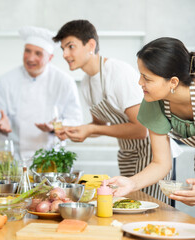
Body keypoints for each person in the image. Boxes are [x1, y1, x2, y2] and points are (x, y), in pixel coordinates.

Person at [52, 19, 173, 203]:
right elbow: (99, 125)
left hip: (152, 155)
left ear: (90, 44)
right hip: (127, 154)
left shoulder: (117, 73)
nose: (65, 54)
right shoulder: (87, 83)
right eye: (63, 49)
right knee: (131, 209)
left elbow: (141, 129)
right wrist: (74, 130)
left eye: (70, 46)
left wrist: (92, 130)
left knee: (151, 212)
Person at [106, 37, 195, 206]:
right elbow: (161, 162)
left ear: (173, 82)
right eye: (141, 76)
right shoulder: (154, 101)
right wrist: (131, 183)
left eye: (147, 78)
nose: (140, 83)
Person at [0, 26, 83, 161]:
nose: (30, 58)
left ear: (50, 57)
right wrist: (0, 123)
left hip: (52, 160)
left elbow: (75, 121)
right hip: (14, 159)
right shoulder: (7, 80)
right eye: (27, 51)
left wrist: (54, 127)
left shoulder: (64, 82)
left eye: (38, 53)